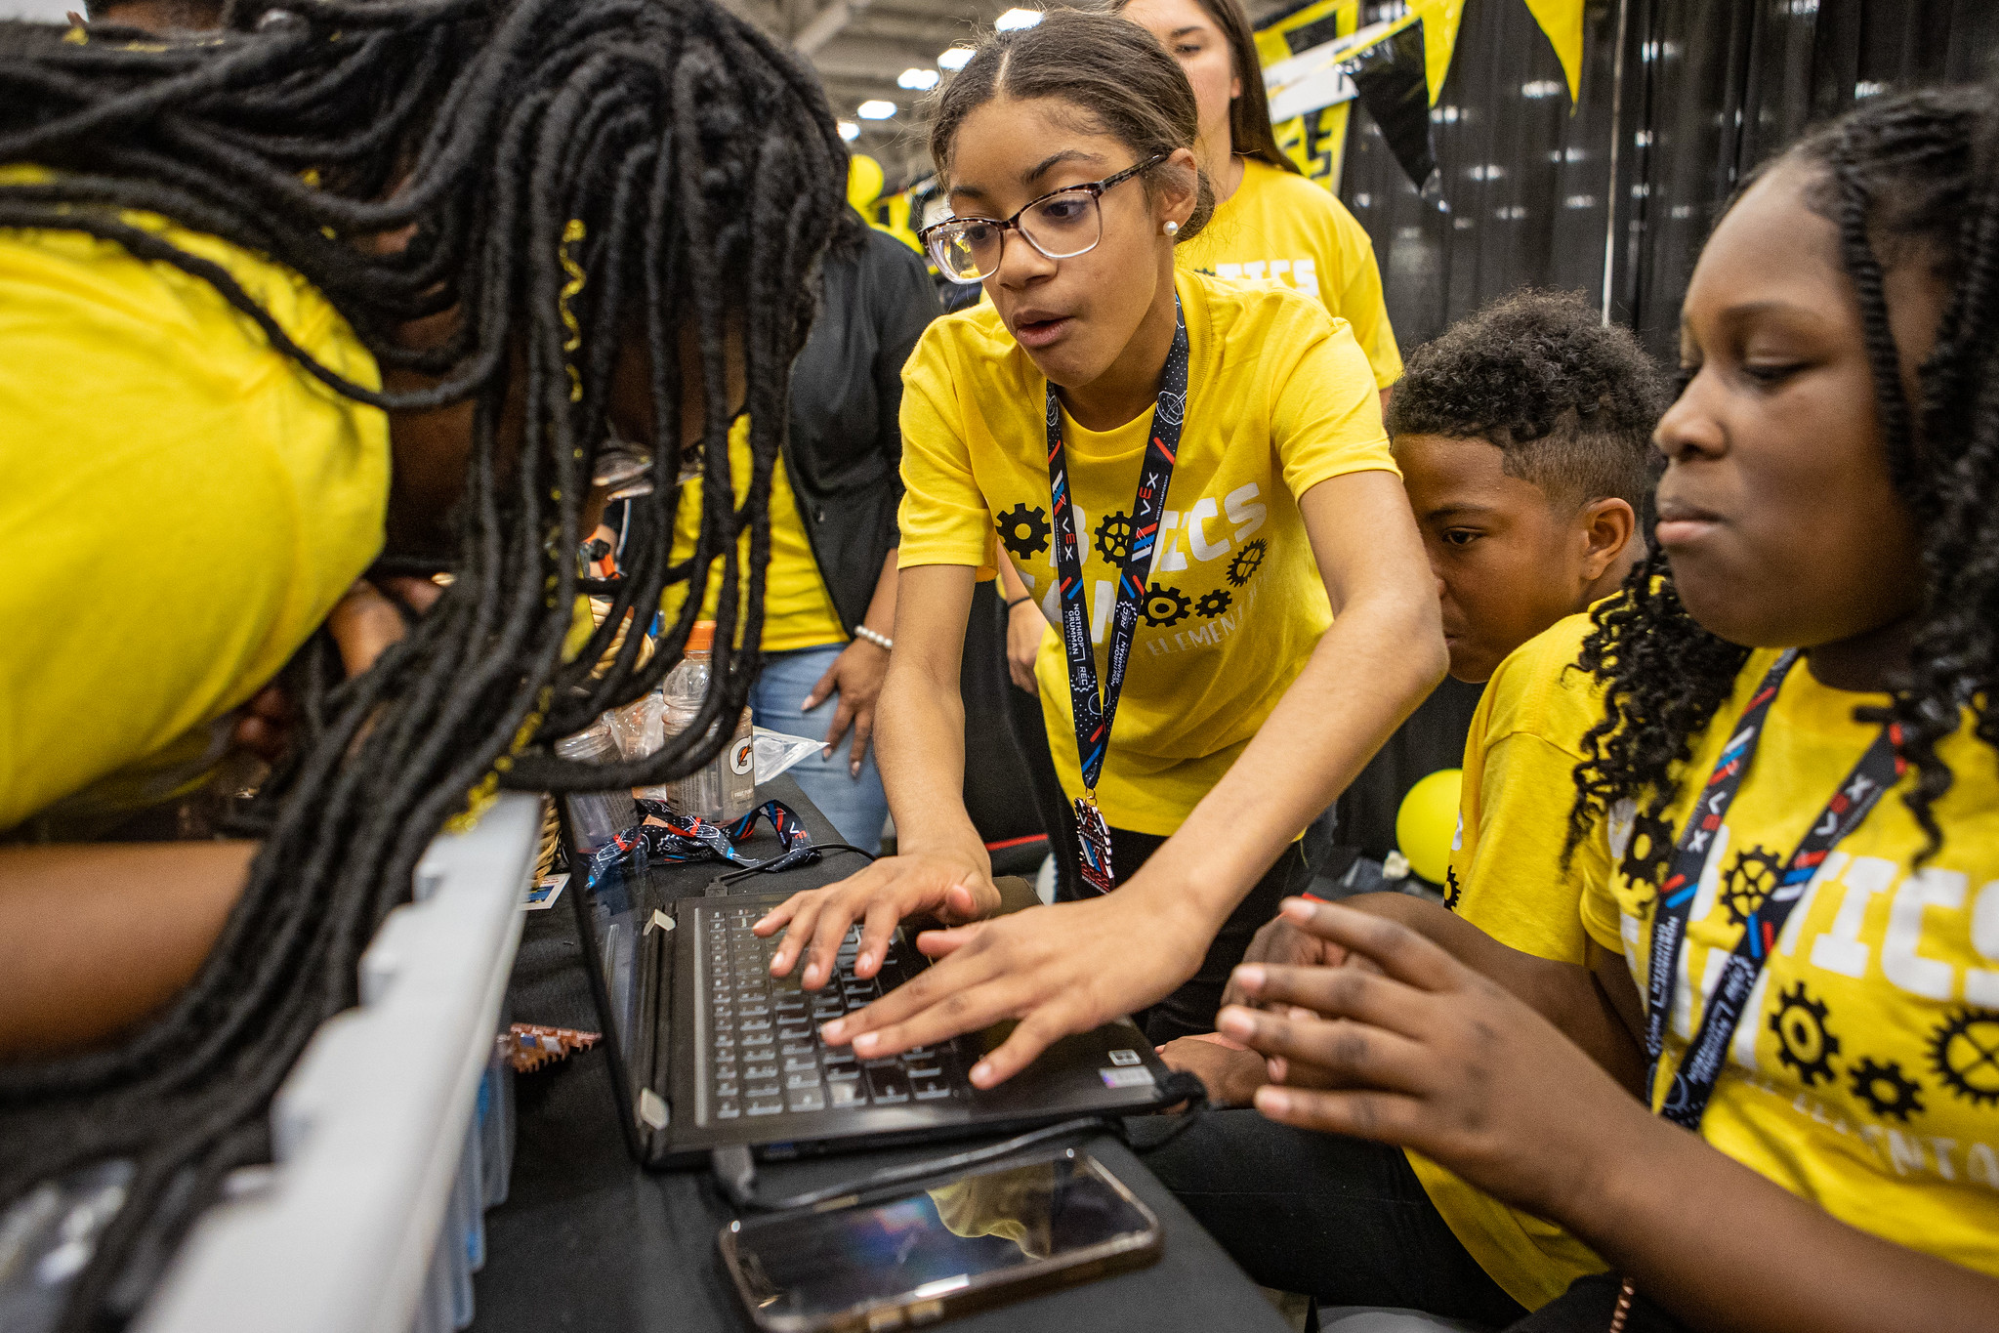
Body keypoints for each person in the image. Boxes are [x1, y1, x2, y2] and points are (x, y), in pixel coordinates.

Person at [0, 2, 843, 1324]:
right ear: (484, 284)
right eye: (604, 447)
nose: (572, 523)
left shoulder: (203, 295)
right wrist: (327, 867)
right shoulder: (217, 457)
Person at [1214, 83, 1999, 1332]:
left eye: (1771, 365)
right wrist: (1434, 958)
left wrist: (1601, 1162)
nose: (1681, 422)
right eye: (1692, 368)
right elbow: (1653, 1034)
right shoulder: (1729, 692)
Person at [754, 10, 1443, 1070]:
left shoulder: (1287, 348)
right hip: (1086, 788)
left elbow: (1396, 617)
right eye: (977, 228)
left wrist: (1169, 905)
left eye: (1062, 208)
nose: (1012, 266)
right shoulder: (954, 372)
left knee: (1207, 1085)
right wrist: (941, 845)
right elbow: (926, 668)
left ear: (1172, 195)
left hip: (1254, 797)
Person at [1149, 289, 1668, 1320]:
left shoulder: (1557, 683)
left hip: (1503, 1218)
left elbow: (1551, 1046)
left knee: (1119, 1150)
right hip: (1530, 1180)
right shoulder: (1642, 650)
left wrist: (1278, 1061)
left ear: (1601, 534)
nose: (1415, 579)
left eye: (1460, 536)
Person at [999, 0, 1401, 695]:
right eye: (1138, 48)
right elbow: (1005, 435)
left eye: (1187, 47)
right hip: (1099, 609)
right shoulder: (1043, 246)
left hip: (1280, 620)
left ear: (1240, 71)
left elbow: (1377, 402)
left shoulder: (1315, 220)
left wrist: (1360, 578)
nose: (1164, 72)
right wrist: (1017, 598)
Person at [664, 203, 940, 851]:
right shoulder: (664, 271)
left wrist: (879, 640)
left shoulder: (876, 270)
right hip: (681, 647)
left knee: (824, 877)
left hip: (827, 655)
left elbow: (933, 484)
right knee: (698, 889)